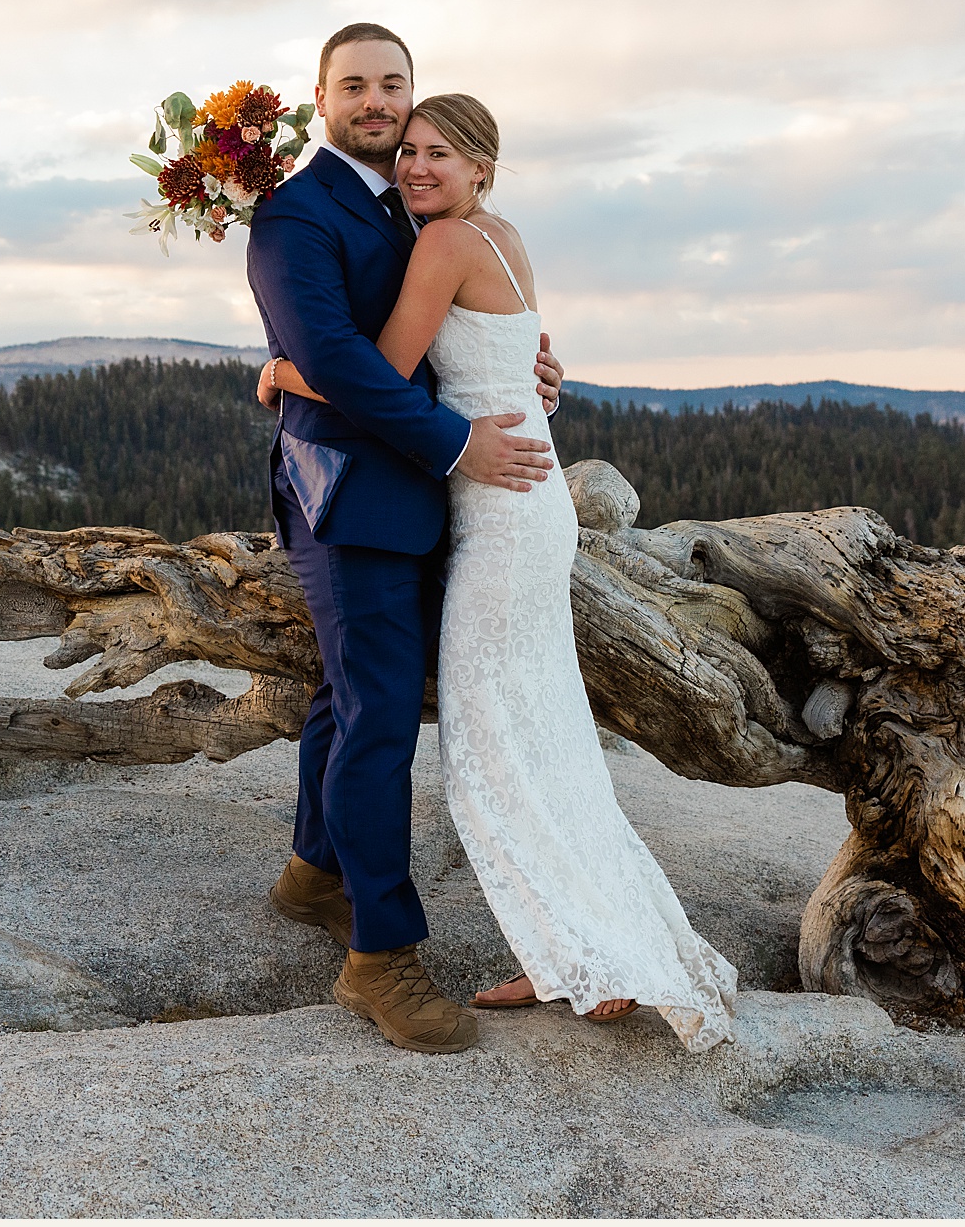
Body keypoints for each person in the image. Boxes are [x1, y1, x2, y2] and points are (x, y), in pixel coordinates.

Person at [257, 88, 739, 1055]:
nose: (417, 164)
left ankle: (576, 951)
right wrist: (530, 386)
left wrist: (277, 373)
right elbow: (510, 357)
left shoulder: (440, 242)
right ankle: (558, 942)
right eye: (412, 151)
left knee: (490, 749)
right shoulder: (501, 236)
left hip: (497, 509)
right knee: (531, 728)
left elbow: (380, 375)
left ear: (483, 167)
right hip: (519, 507)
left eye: (440, 151)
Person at [244, 23, 564, 1055]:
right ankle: (380, 958)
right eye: (356, 86)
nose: (376, 103)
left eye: (393, 85)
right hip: (348, 497)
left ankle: (313, 874)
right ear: (320, 98)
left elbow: (438, 334)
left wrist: (524, 376)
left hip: (416, 493)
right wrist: (457, 440)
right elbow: (335, 352)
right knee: (381, 713)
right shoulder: (295, 214)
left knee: (350, 695)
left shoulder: (411, 203)